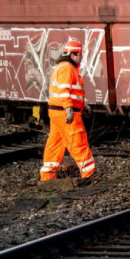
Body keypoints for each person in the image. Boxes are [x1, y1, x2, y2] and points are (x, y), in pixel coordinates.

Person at [40, 40, 95, 184]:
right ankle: (89, 174)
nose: (81, 58)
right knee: (78, 141)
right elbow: (64, 91)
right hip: (65, 113)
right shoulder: (68, 68)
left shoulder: (62, 67)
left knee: (55, 144)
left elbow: (70, 92)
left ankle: (47, 176)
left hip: (56, 112)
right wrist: (69, 109)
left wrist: (84, 105)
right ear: (72, 54)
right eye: (79, 55)